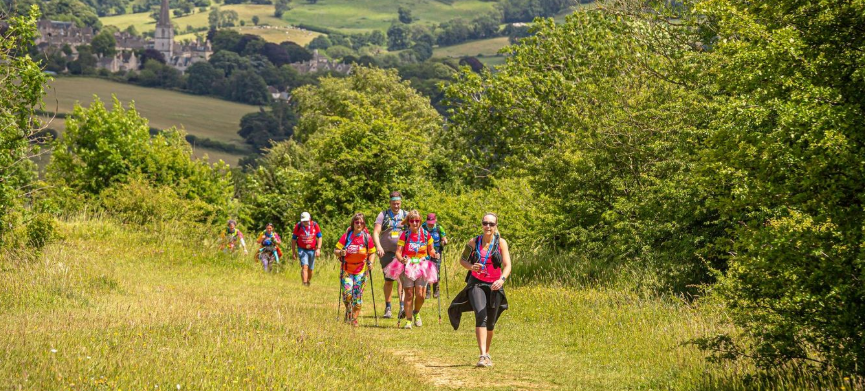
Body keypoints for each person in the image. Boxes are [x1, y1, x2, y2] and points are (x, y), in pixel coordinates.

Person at [447, 213, 512, 367]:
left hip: (495, 285)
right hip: (476, 283)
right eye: (485, 223)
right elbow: (462, 260)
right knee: (480, 314)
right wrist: (471, 266)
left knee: (491, 322)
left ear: (496, 226)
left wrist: (501, 280)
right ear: (482, 224)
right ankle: (482, 355)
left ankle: (487, 354)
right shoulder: (473, 241)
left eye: (491, 224)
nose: (488, 227)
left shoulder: (501, 243)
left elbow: (507, 265)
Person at [391, 210, 437, 329]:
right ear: (409, 222)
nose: (415, 223)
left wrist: (434, 254)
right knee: (409, 294)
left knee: (420, 295)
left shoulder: (426, 235)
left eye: (417, 221)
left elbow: (431, 250)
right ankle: (409, 320)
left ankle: (416, 312)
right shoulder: (405, 235)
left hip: (422, 265)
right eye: (412, 221)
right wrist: (402, 260)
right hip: (408, 266)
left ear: (420, 221)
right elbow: (398, 252)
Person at [334, 213, 376, 327]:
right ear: (353, 223)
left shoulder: (367, 237)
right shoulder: (347, 236)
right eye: (357, 222)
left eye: (361, 222)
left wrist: (371, 263)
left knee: (357, 296)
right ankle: (348, 312)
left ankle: (353, 318)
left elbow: (372, 252)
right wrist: (341, 252)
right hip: (347, 269)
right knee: (347, 295)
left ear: (364, 224)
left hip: (361, 270)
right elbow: (336, 250)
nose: (359, 224)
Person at [373, 191, 408, 319]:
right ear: (390, 203)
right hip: (386, 253)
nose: (396, 206)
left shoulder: (405, 215)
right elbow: (376, 232)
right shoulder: (383, 215)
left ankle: (402, 307)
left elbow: (412, 231)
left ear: (401, 203)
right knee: (389, 281)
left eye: (398, 203)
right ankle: (388, 307)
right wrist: (379, 246)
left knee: (402, 280)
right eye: (394, 203)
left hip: (401, 252)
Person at [292, 212, 322, 286]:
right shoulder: (298, 226)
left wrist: (318, 249)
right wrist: (293, 252)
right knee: (304, 266)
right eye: (304, 221)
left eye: (306, 221)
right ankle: (304, 283)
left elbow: (320, 237)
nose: (305, 222)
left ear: (310, 219)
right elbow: (293, 239)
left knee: (310, 269)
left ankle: (307, 281)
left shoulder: (315, 225)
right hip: (302, 249)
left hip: (312, 249)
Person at [421, 213, 448, 298]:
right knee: (426, 271)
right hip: (425, 252)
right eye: (429, 222)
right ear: (426, 220)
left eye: (432, 222)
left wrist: (444, 242)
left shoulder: (439, 228)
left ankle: (436, 290)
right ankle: (428, 291)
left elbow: (444, 238)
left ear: (435, 220)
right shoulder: (422, 227)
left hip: (437, 252)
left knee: (436, 271)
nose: (430, 224)